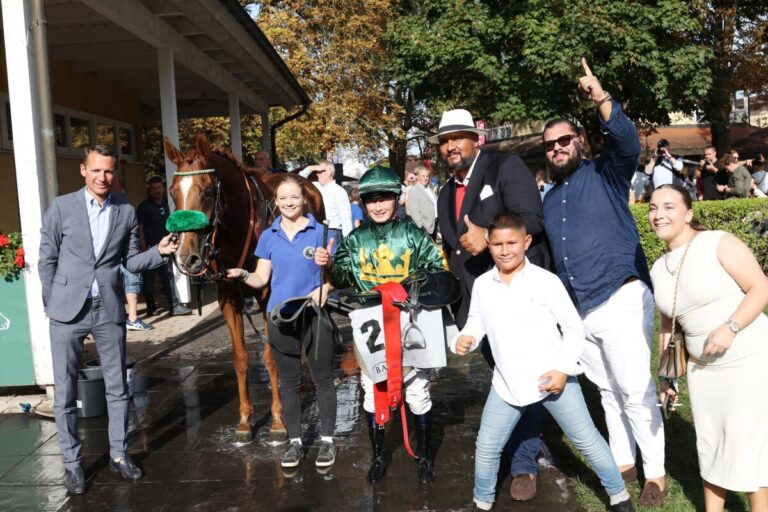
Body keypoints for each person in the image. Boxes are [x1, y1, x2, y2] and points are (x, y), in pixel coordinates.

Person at [541, 58, 667, 506]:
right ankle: (624, 461)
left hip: (619, 295)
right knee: (609, 392)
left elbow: (628, 142)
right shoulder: (549, 197)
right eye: (550, 144)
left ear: (580, 141)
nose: (557, 148)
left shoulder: (607, 173)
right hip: (580, 309)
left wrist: (600, 96)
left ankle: (655, 472)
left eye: (564, 140)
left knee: (635, 389)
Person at [452, 212, 635, 512]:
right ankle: (481, 502)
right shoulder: (484, 284)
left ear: (526, 242)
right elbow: (476, 322)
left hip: (551, 380)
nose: (505, 250)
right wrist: (467, 337)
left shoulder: (546, 282)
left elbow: (574, 328)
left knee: (586, 440)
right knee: (486, 447)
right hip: (507, 383)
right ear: (488, 244)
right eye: (497, 244)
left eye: (512, 242)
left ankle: (619, 496)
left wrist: (563, 370)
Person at [38, 145, 179, 494]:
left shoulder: (126, 212)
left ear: (116, 174)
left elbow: (130, 262)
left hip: (108, 310)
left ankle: (119, 455)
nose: (103, 177)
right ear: (83, 170)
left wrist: (157, 253)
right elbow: (47, 260)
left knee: (118, 388)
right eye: (97, 170)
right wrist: (53, 303)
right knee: (66, 392)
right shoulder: (62, 208)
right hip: (67, 311)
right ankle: (73, 464)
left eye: (109, 171)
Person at [433, 107, 550, 500]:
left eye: (458, 138)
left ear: (475, 139)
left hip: (517, 296)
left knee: (523, 374)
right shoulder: (445, 191)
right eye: (444, 141)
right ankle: (526, 441)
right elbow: (453, 251)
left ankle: (524, 465)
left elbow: (532, 220)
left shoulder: (505, 166)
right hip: (477, 306)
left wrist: (489, 233)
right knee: (505, 375)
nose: (451, 146)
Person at [314, 165, 445, 485]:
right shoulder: (356, 240)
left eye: (384, 198)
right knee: (373, 392)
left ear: (396, 198)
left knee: (417, 391)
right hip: (369, 322)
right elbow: (344, 277)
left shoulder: (414, 234)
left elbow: (436, 270)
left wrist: (411, 287)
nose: (378, 205)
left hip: (409, 320)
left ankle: (426, 458)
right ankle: (378, 457)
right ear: (364, 203)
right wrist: (330, 265)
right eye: (371, 199)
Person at [648, 184, 768, 512]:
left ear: (688, 213)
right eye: (653, 208)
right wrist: (667, 376)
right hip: (703, 370)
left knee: (749, 444)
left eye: (669, 207)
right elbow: (670, 326)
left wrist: (731, 327)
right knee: (710, 444)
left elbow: (760, 288)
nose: (659, 215)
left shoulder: (718, 242)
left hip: (747, 358)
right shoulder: (658, 269)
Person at [226, 173, 337, 470]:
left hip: (313, 315)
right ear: (276, 202)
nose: (289, 202)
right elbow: (262, 277)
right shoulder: (268, 236)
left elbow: (336, 276)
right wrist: (243, 275)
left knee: (323, 379)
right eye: (283, 198)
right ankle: (295, 443)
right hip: (280, 317)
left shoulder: (321, 232)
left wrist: (327, 283)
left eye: (294, 197)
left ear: (304, 200)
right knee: (288, 382)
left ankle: (327, 440)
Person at [137, 177, 191, 317]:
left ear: (163, 188)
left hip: (167, 248)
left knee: (168, 278)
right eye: (154, 188)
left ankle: (174, 306)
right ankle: (151, 307)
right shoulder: (144, 207)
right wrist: (143, 248)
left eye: (159, 188)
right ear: (150, 189)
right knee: (149, 280)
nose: (157, 191)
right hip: (150, 248)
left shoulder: (168, 205)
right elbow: (140, 229)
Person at [308, 160, 352, 240]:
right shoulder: (315, 186)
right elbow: (297, 179)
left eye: (320, 171)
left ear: (329, 172)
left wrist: (347, 243)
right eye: (317, 172)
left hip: (333, 233)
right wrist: (310, 168)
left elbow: (346, 219)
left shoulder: (339, 191)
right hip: (316, 231)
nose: (317, 174)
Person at [405, 165, 438, 237]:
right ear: (417, 177)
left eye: (427, 176)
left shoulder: (430, 189)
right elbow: (414, 212)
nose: (426, 178)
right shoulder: (414, 190)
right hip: (424, 228)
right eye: (423, 176)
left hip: (434, 225)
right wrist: (421, 227)